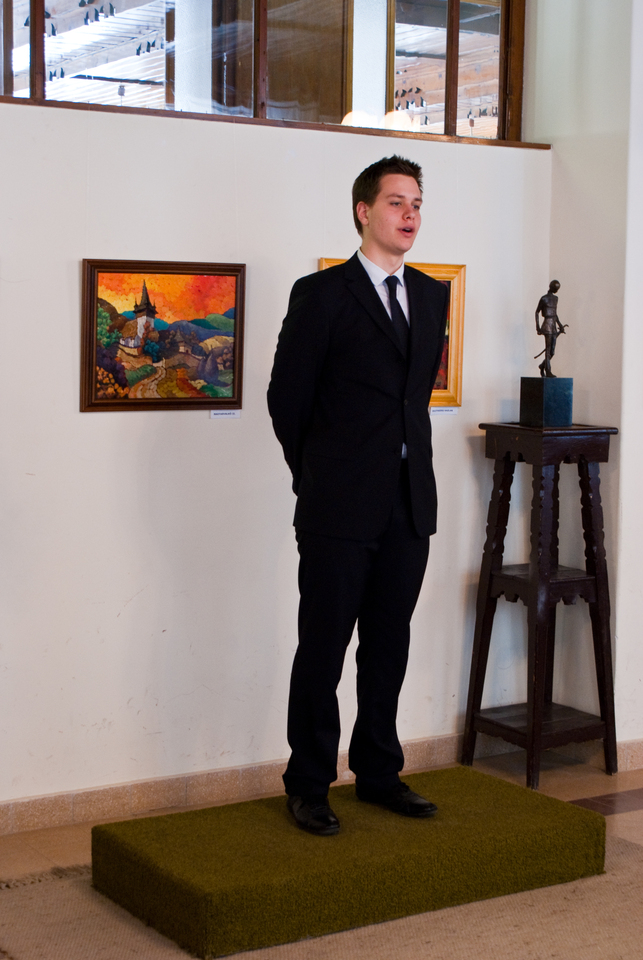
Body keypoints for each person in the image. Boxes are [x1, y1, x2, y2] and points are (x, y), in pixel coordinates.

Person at [267, 155, 448, 836]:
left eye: (417, 203)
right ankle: (308, 782)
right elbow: (287, 401)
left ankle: (378, 773)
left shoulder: (429, 295)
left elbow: (411, 401)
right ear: (363, 211)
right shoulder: (321, 295)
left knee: (388, 644)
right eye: (397, 202)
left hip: (408, 503)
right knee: (323, 647)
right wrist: (317, 476)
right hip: (336, 506)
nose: (410, 214)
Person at [534, 280, 565, 377]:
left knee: (552, 351)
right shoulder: (544, 298)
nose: (556, 290)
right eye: (556, 288)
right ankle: (548, 371)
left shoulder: (556, 299)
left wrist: (560, 325)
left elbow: (555, 314)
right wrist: (538, 327)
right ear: (551, 287)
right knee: (548, 350)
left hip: (553, 326)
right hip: (547, 325)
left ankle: (542, 365)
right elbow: (537, 312)